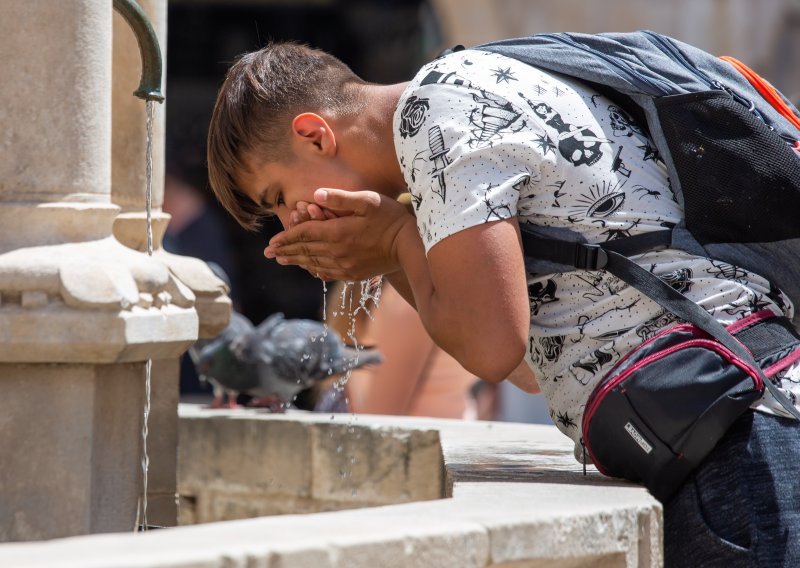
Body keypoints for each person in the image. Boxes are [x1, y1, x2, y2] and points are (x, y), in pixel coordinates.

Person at [205, 40, 800, 565]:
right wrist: (397, 250)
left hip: (735, 441)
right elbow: (528, 368)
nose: (291, 222)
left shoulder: (434, 114)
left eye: (280, 196)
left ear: (315, 134)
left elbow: (492, 347)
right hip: (734, 422)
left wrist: (393, 238)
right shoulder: (461, 100)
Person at [326, 279, 482, 419]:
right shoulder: (411, 301)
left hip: (440, 441)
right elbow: (382, 421)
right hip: (417, 446)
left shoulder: (439, 290)